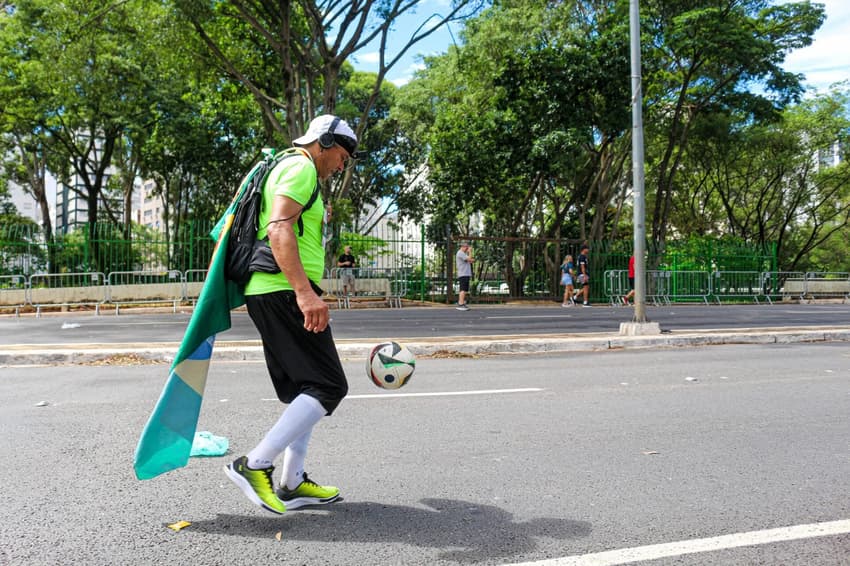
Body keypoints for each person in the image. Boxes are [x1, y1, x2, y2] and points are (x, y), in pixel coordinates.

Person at [223, 114, 357, 515]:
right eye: (342, 157)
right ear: (326, 142)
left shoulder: (290, 167)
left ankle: (292, 481)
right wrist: (304, 293)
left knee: (306, 388)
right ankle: (255, 464)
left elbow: (289, 226)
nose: (341, 166)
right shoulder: (300, 167)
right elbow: (279, 228)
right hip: (281, 290)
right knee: (329, 386)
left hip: (273, 290)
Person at [455, 242, 473, 311]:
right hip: (463, 273)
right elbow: (469, 259)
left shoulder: (463, 254)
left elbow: (470, 260)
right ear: (462, 246)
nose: (467, 248)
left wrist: (470, 258)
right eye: (466, 247)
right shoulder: (460, 253)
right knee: (463, 289)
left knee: (464, 290)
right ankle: (461, 304)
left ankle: (461, 303)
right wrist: (470, 252)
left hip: (465, 273)